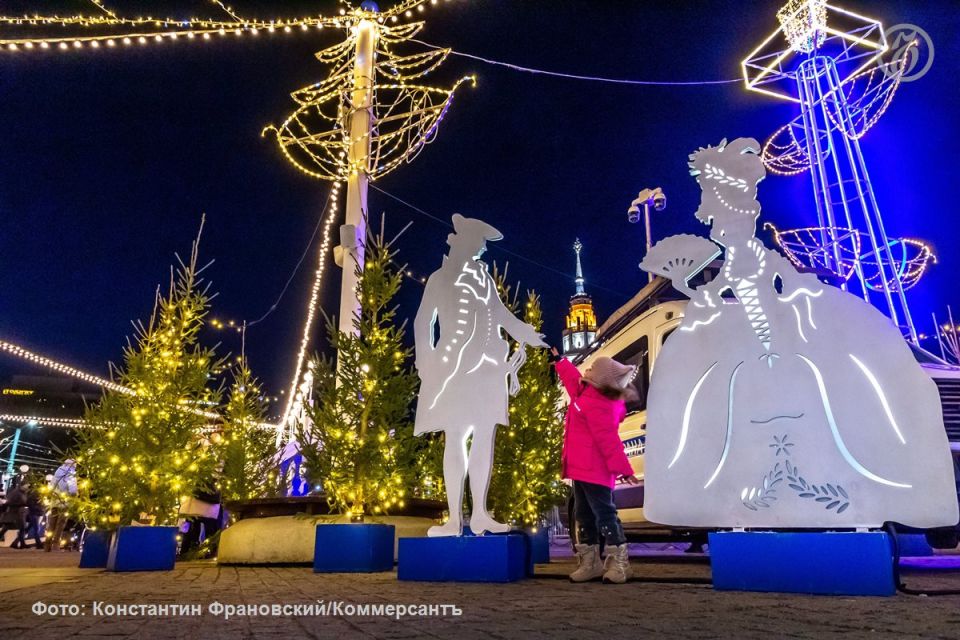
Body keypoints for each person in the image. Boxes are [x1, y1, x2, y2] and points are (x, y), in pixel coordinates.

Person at [413, 214, 548, 536]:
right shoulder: (439, 279)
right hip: (455, 369)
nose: (483, 251)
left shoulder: (484, 279)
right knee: (456, 438)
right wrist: (425, 361)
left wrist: (527, 333)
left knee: (484, 439)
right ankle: (454, 520)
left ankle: (480, 515)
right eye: (480, 244)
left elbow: (500, 313)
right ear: (465, 242)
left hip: (488, 370)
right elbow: (422, 322)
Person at [553, 348, 640, 584]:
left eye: (592, 368)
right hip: (581, 469)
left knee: (605, 515)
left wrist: (624, 469)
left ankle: (619, 563)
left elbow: (609, 441)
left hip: (596, 471)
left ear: (600, 379)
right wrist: (561, 362)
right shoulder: (587, 394)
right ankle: (590, 563)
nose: (586, 370)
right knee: (583, 515)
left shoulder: (599, 404)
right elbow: (573, 381)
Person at [0, 483, 30, 549]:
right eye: (26, 485)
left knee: (21, 528)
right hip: (14, 512)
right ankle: (19, 543)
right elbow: (10, 502)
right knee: (7, 527)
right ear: (22, 485)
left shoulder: (23, 493)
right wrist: (22, 504)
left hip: (19, 512)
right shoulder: (16, 493)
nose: (27, 487)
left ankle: (20, 543)